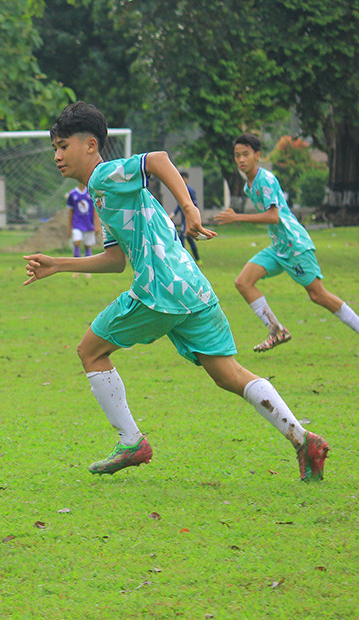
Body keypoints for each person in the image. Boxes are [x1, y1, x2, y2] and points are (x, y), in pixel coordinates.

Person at [23, 102, 329, 482]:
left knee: (90, 350)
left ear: (90, 145)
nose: (57, 156)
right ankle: (303, 440)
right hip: (192, 286)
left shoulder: (103, 176)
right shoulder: (104, 195)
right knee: (229, 374)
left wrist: (189, 207)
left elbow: (158, 159)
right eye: (55, 148)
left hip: (159, 290)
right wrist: (58, 264)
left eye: (63, 146)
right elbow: (115, 260)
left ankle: (131, 441)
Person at [213, 133, 359, 352]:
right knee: (243, 282)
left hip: (294, 246)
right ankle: (276, 330)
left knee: (318, 294)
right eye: (237, 155)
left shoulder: (266, 179)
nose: (241, 160)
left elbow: (274, 216)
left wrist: (238, 217)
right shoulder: (248, 186)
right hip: (278, 247)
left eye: (246, 154)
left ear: (257, 156)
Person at [169, 170, 200, 262]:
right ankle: (196, 259)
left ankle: (185, 258)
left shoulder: (190, 191)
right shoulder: (181, 190)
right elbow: (180, 205)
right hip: (184, 218)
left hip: (188, 219)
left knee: (182, 236)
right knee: (188, 238)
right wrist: (174, 214)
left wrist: (194, 216)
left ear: (186, 179)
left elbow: (194, 205)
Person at [67, 184, 96, 258]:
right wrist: (69, 227)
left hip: (88, 224)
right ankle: (76, 260)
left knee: (88, 245)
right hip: (77, 224)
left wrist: (97, 224)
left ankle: (88, 262)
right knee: (77, 242)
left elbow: (95, 209)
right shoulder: (72, 194)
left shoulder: (90, 192)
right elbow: (70, 211)